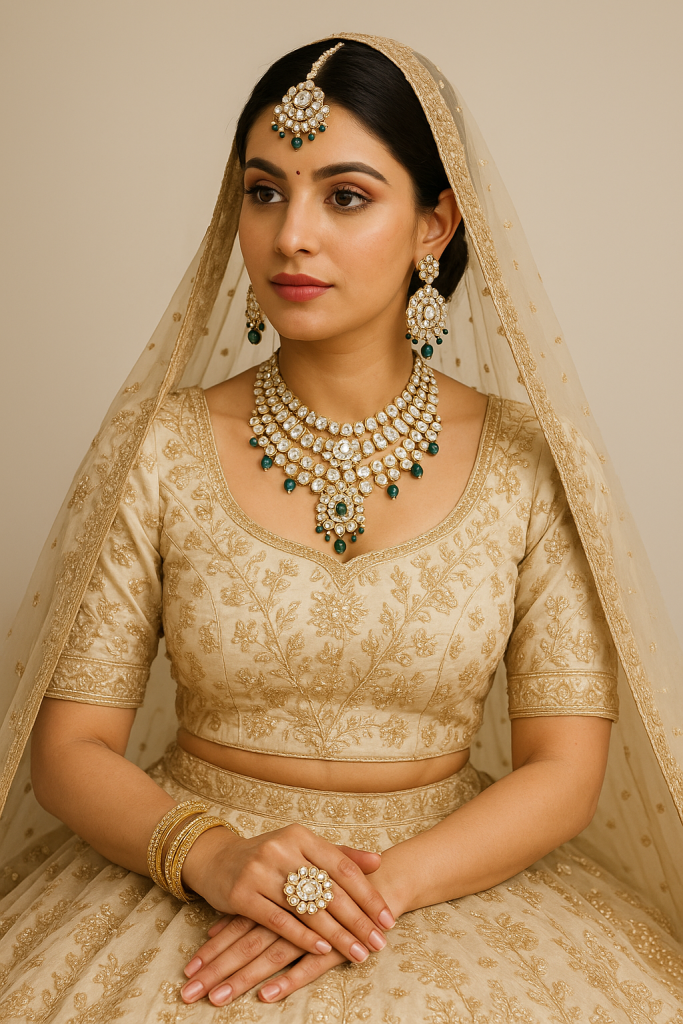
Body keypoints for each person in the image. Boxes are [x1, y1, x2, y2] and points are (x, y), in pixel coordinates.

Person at [0, 34, 681, 1022]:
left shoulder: (531, 462)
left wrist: (371, 895)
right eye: (265, 191)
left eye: (345, 195)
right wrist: (217, 857)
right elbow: (68, 748)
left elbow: (563, 772)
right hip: (195, 872)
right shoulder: (160, 447)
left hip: (442, 873)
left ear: (432, 224)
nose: (290, 237)